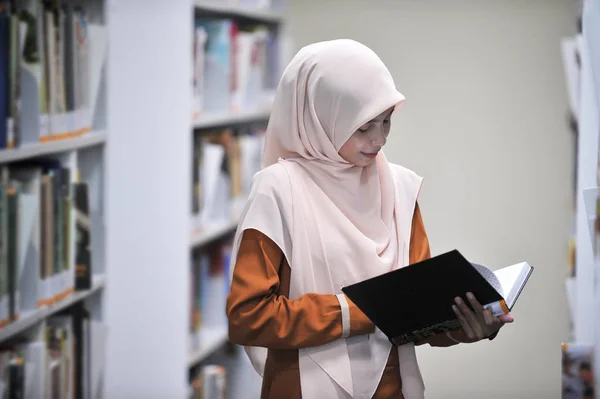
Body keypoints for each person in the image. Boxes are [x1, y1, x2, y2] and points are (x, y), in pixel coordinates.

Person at [225, 39, 514, 399]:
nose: (379, 140)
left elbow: (418, 316)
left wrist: (466, 326)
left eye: (387, 122)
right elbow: (247, 317)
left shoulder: (400, 188)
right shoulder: (277, 190)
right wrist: (354, 311)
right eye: (363, 127)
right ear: (320, 116)